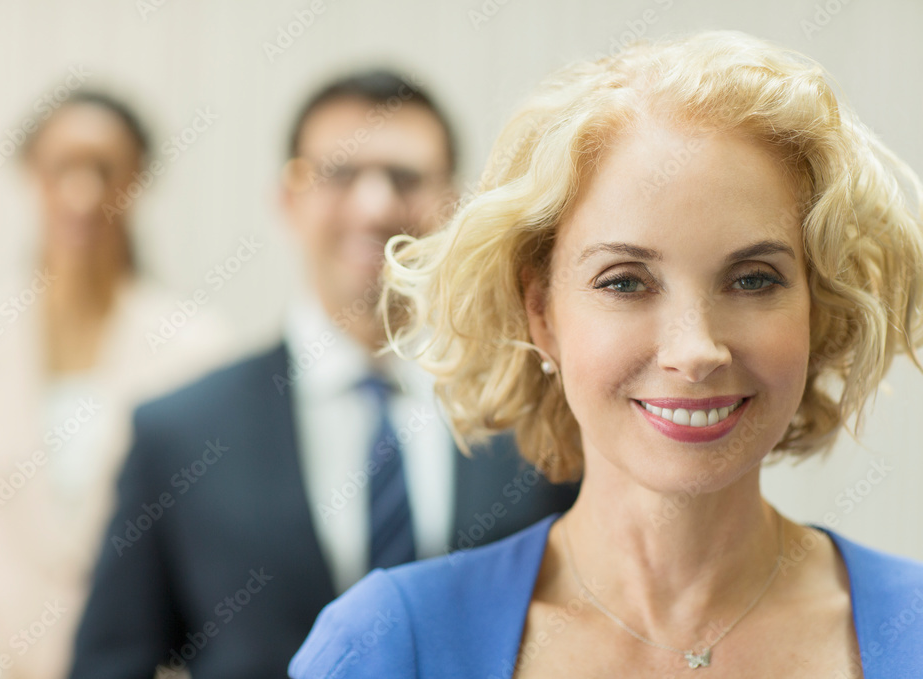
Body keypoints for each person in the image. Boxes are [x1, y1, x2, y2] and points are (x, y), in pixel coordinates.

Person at [289, 32, 923, 678]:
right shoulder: (389, 642)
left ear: (817, 304)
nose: (695, 349)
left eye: (754, 278)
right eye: (625, 281)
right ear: (542, 313)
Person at [68, 70, 578, 679]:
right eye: (338, 174)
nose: (375, 204)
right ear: (288, 200)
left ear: (455, 204)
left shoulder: (536, 404)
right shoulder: (179, 435)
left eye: (405, 177)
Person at [0, 92, 233, 679]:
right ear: (29, 174)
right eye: (61, 166)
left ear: (138, 180)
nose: (83, 193)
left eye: (105, 169)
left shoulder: (195, 350)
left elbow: (200, 554)